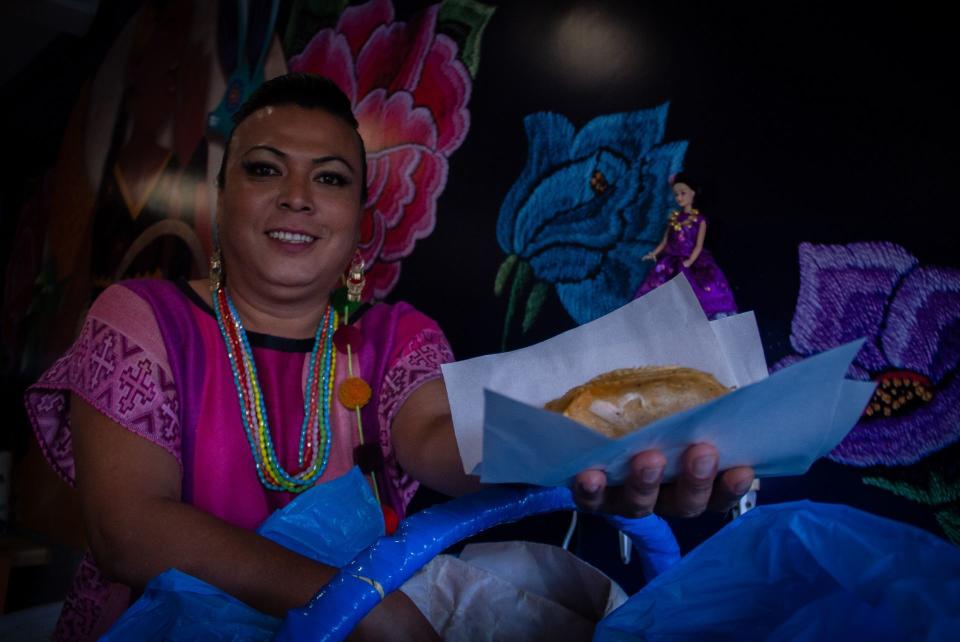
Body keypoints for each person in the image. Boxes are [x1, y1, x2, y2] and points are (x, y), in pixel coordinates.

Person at [25, 73, 755, 641]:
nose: (299, 198)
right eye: (265, 170)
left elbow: (445, 442)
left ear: (357, 223)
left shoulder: (392, 338)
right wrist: (359, 607)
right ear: (221, 200)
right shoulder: (144, 317)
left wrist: (600, 450)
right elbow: (130, 531)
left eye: (332, 178)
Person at [634, 173, 738, 318]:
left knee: (701, 290)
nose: (679, 198)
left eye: (683, 193)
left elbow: (698, 245)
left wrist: (690, 261)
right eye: (676, 194)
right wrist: (654, 254)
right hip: (671, 262)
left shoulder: (699, 220)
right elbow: (665, 241)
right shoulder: (674, 219)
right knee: (660, 291)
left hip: (694, 262)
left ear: (692, 193)